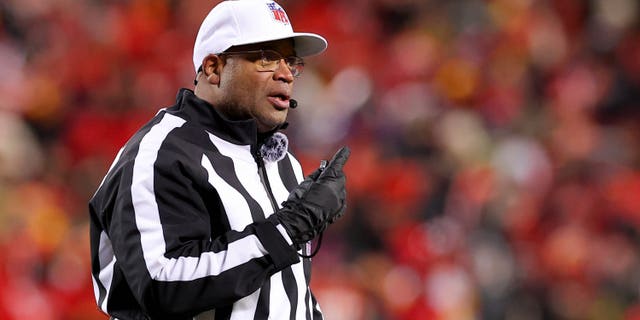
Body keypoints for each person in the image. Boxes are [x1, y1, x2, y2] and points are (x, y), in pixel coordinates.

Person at [88, 1, 350, 319]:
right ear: (213, 69)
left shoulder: (280, 160)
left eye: (291, 62)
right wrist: (287, 230)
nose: (285, 75)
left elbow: (284, 291)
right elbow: (162, 284)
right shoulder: (159, 155)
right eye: (267, 58)